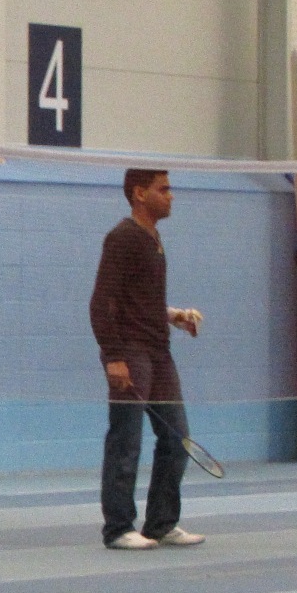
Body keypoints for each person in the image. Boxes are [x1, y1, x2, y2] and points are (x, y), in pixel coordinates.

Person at [89, 167, 206, 551]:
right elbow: (102, 302)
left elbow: (140, 301)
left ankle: (160, 522)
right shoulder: (122, 238)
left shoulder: (153, 239)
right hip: (131, 353)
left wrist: (173, 315)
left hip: (159, 353)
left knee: (177, 438)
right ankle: (119, 527)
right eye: (164, 189)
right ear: (140, 193)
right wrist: (113, 357)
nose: (171, 196)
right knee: (126, 440)